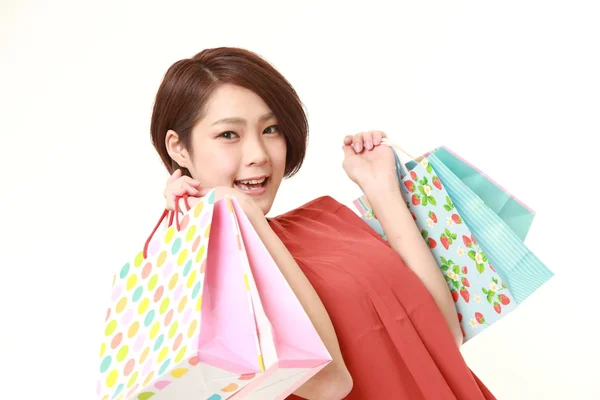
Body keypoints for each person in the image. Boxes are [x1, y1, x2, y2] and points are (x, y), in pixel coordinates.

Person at [149, 47, 496, 399]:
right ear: (178, 147)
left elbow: (443, 334)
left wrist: (381, 187)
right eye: (229, 135)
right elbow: (331, 383)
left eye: (271, 129)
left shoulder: (322, 222)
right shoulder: (195, 279)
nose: (259, 155)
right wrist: (244, 218)